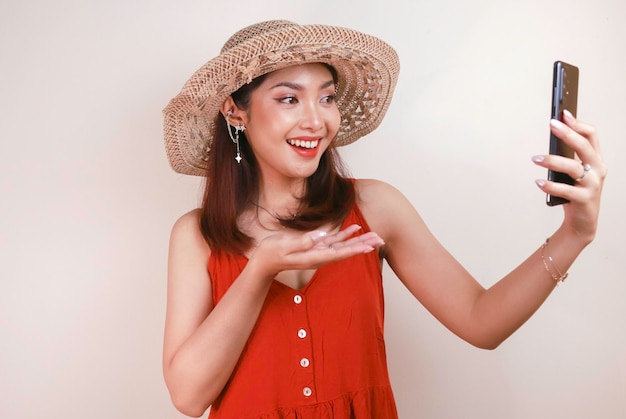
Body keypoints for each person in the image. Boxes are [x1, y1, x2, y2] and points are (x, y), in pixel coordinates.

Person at [161, 20, 606, 418]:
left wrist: (575, 234)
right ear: (235, 112)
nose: (316, 120)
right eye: (288, 98)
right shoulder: (196, 236)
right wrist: (258, 270)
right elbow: (188, 397)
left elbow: (482, 321)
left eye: (327, 97)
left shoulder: (375, 207)